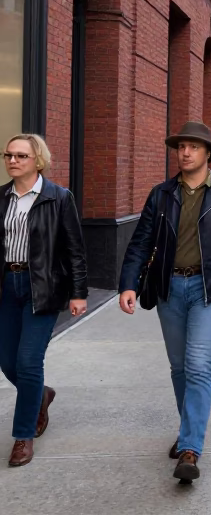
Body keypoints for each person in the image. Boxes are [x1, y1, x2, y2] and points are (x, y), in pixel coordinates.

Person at [118, 121, 211, 484]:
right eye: (181, 147)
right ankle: (187, 430)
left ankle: (191, 448)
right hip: (169, 289)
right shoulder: (161, 194)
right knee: (179, 367)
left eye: (193, 147)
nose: (185, 152)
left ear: (208, 154)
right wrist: (128, 283)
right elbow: (140, 242)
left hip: (210, 290)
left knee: (198, 365)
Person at [0, 134, 88, 467]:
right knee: (7, 361)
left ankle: (23, 437)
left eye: (20, 156)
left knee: (27, 361)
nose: (12, 161)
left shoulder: (59, 198)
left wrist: (79, 293)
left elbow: (75, 250)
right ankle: (40, 395)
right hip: (8, 284)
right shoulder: (2, 198)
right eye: (8, 154)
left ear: (38, 161)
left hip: (44, 288)